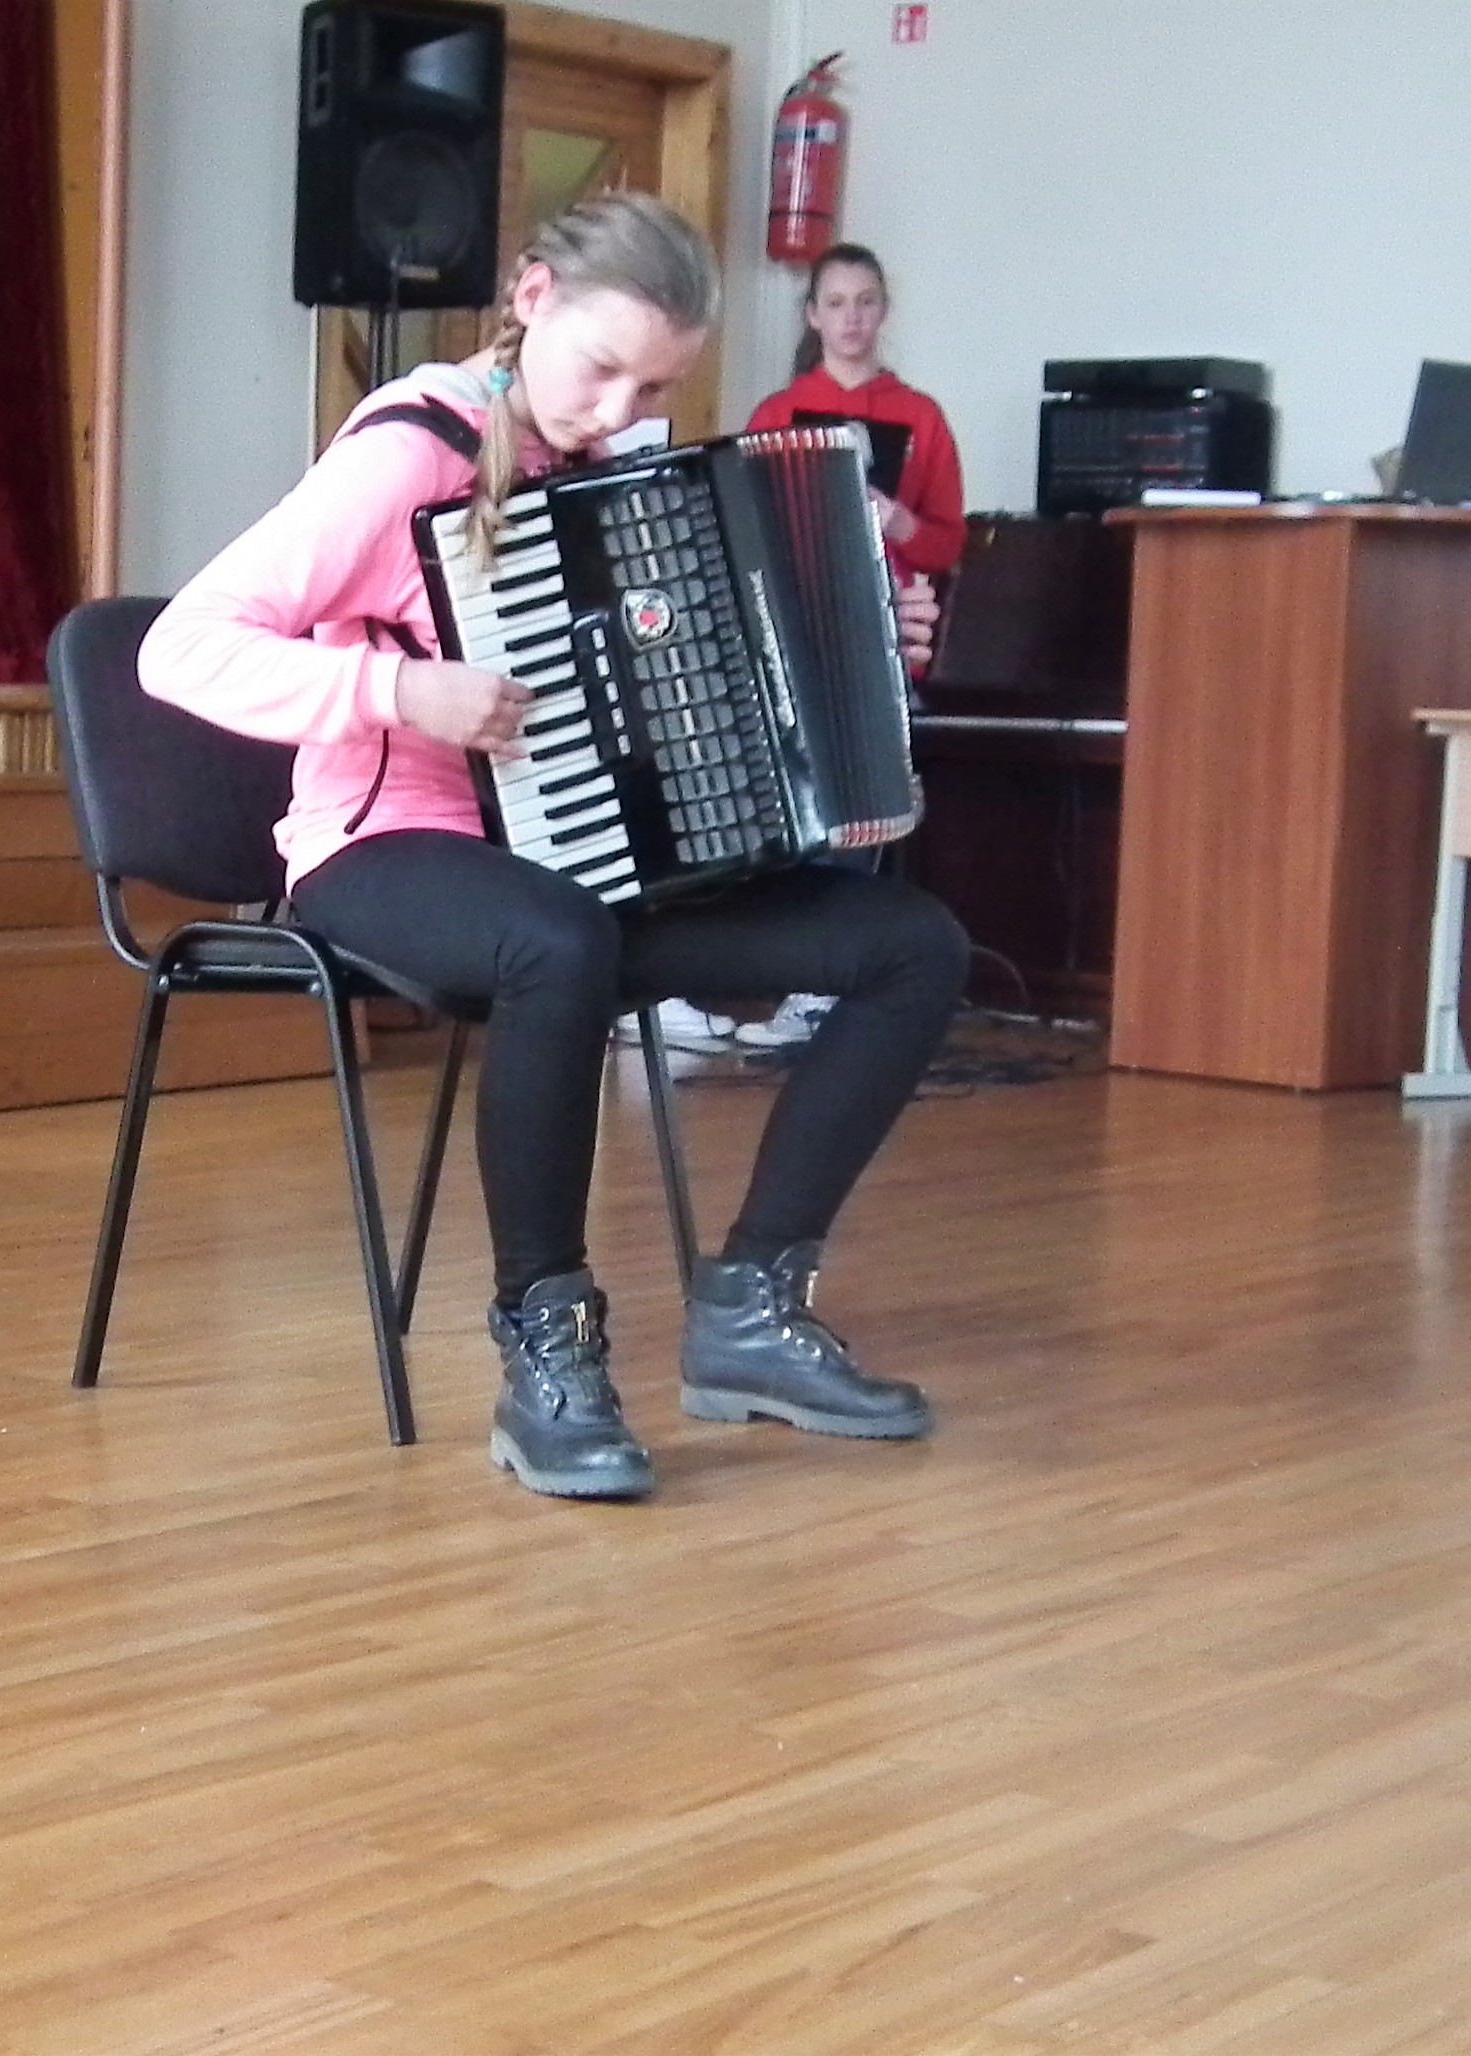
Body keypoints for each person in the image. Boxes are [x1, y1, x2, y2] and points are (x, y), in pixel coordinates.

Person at [138, 192, 969, 1503]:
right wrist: (398, 690)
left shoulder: (621, 468)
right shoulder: (408, 452)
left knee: (911, 944)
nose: (616, 411)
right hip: (383, 847)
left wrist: (876, 632)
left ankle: (752, 1308)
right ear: (531, 300)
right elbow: (180, 648)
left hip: (580, 858)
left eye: (658, 386)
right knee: (558, 939)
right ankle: (549, 1348)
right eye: (601, 369)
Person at [724, 242, 967, 1053]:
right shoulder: (780, 411)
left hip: (883, 631)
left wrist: (896, 518)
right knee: (794, 802)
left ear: (883, 311)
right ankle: (771, 971)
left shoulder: (920, 416)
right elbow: (747, 519)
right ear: (813, 316)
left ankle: (822, 986)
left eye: (866, 302)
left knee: (862, 805)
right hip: (794, 630)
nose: (852, 318)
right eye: (836, 303)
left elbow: (946, 543)